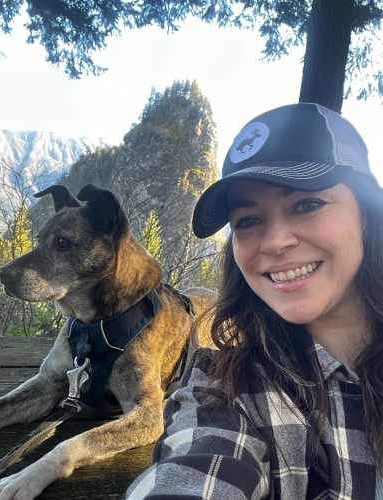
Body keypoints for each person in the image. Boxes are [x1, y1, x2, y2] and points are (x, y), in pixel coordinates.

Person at [125, 103, 383, 499]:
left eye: (307, 204)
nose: (276, 241)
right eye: (247, 221)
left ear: (367, 213)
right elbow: (198, 467)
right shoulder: (227, 389)